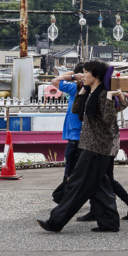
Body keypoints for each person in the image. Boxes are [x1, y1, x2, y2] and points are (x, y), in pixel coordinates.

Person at [38, 60, 128, 233]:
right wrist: (82, 90)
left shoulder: (104, 93)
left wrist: (109, 98)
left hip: (97, 147)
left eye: (86, 72)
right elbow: (76, 110)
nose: (84, 75)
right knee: (99, 185)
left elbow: (107, 119)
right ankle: (109, 223)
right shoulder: (90, 92)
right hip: (90, 145)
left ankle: (56, 221)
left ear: (95, 75)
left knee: (77, 184)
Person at [50, 64, 84, 204]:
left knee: (71, 169)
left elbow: (55, 81)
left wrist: (73, 75)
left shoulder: (75, 88)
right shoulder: (76, 88)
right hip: (77, 134)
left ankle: (64, 197)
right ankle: (64, 197)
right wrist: (75, 74)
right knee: (77, 168)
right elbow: (55, 81)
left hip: (76, 135)